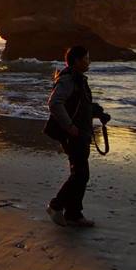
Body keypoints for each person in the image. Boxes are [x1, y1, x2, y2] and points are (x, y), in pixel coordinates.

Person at [45, 43, 106, 227]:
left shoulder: (78, 79)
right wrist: (70, 127)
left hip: (81, 133)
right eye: (86, 58)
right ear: (77, 61)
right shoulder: (69, 79)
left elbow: (81, 105)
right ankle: (57, 206)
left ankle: (73, 214)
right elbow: (54, 103)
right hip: (75, 134)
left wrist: (99, 113)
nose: (89, 62)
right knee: (80, 174)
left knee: (80, 174)